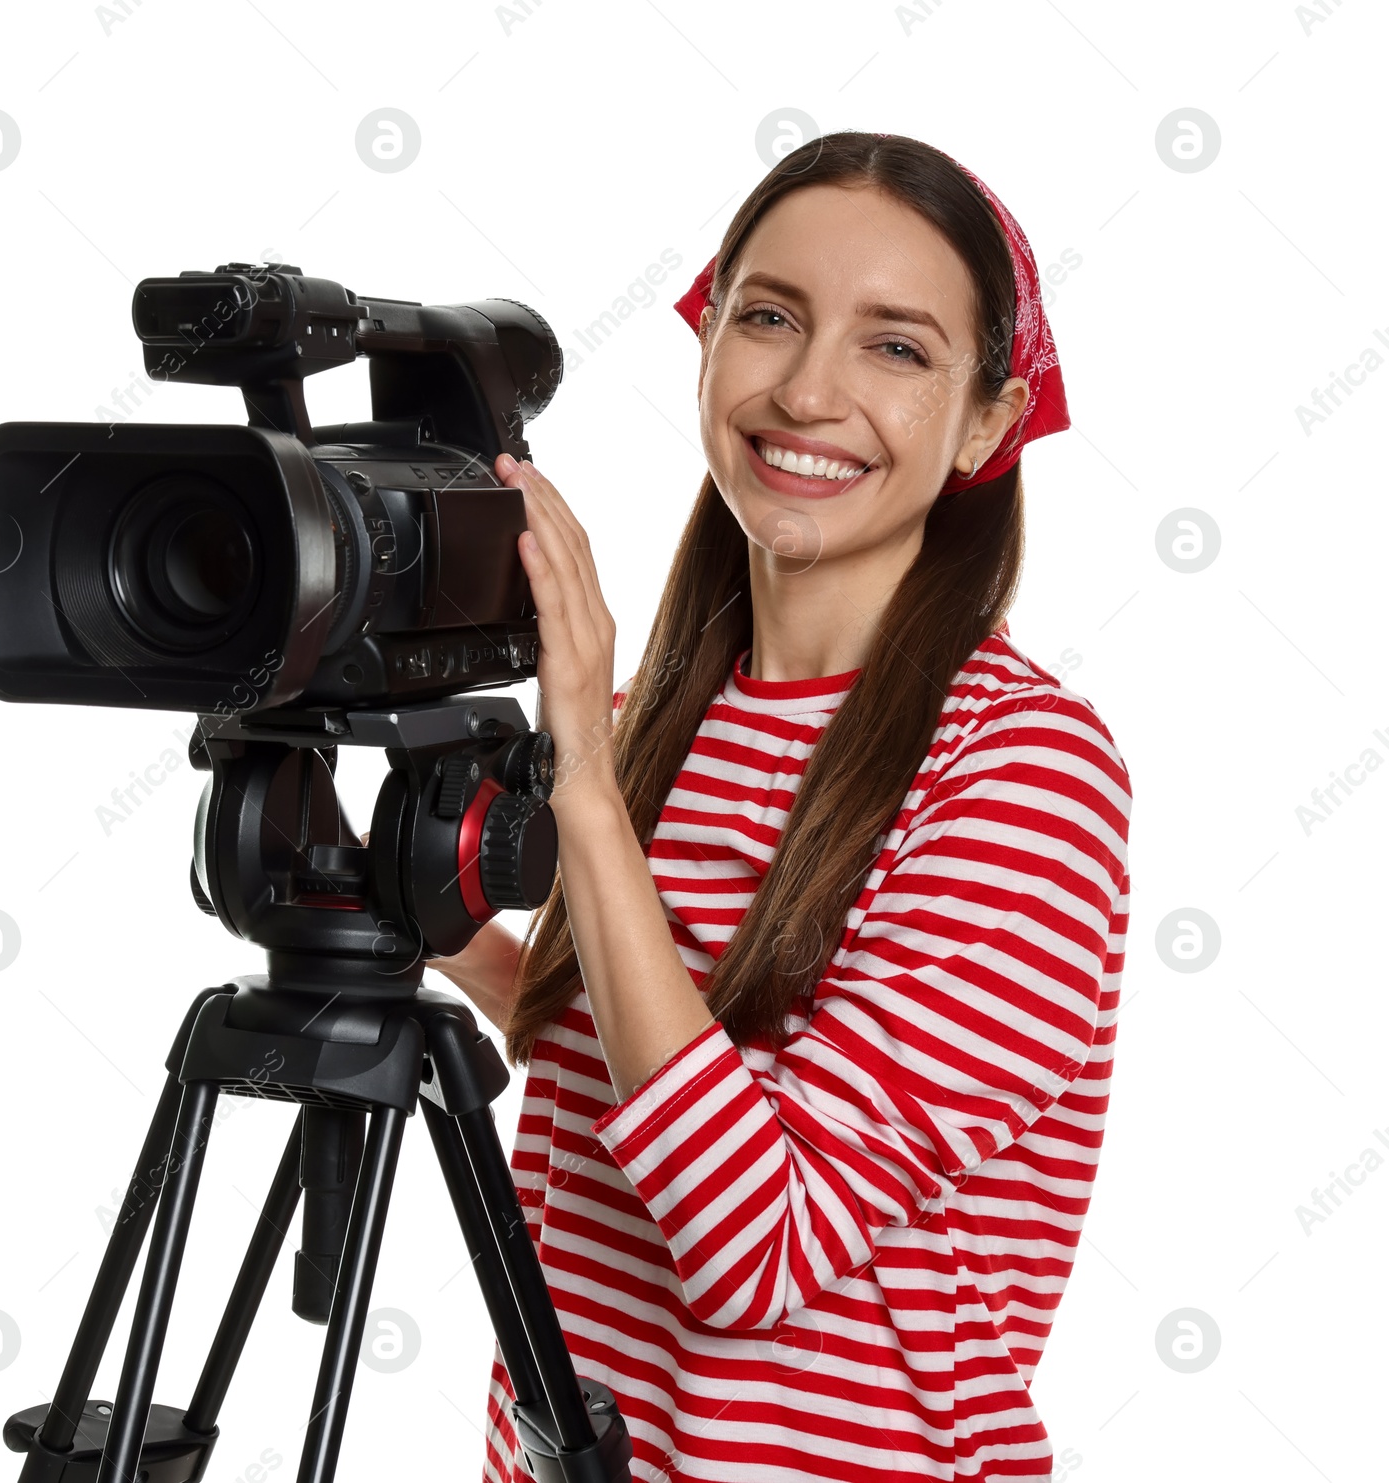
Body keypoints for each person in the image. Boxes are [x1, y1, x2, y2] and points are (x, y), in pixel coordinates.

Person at [431, 130, 1132, 1483]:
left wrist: (579, 781)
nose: (809, 391)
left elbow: (758, 1234)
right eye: (769, 318)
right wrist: (422, 922)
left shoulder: (1026, 770)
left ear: (992, 418)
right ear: (706, 346)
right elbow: (620, 1058)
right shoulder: (658, 716)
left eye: (897, 348)